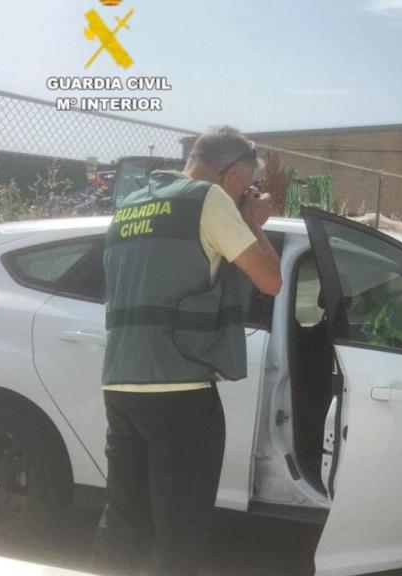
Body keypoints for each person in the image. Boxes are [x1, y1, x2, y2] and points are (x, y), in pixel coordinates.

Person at [91, 126, 282, 576]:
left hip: (119, 381)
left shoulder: (131, 202)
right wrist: (253, 221)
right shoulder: (208, 199)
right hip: (178, 389)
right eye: (247, 183)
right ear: (234, 174)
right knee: (179, 530)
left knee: (123, 518)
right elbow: (270, 281)